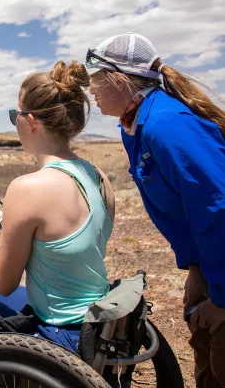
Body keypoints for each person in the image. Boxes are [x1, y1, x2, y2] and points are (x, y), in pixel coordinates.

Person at [0, 61, 116, 367]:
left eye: (13, 115)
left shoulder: (28, 187)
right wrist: (0, 219)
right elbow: (62, 240)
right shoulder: (98, 177)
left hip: (59, 335)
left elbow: (4, 282)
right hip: (93, 323)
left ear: (30, 122)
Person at [84, 32, 225, 387]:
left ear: (118, 80)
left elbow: (218, 209)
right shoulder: (138, 124)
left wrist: (221, 298)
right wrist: (196, 271)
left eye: (96, 81)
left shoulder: (167, 126)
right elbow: (191, 210)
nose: (92, 91)